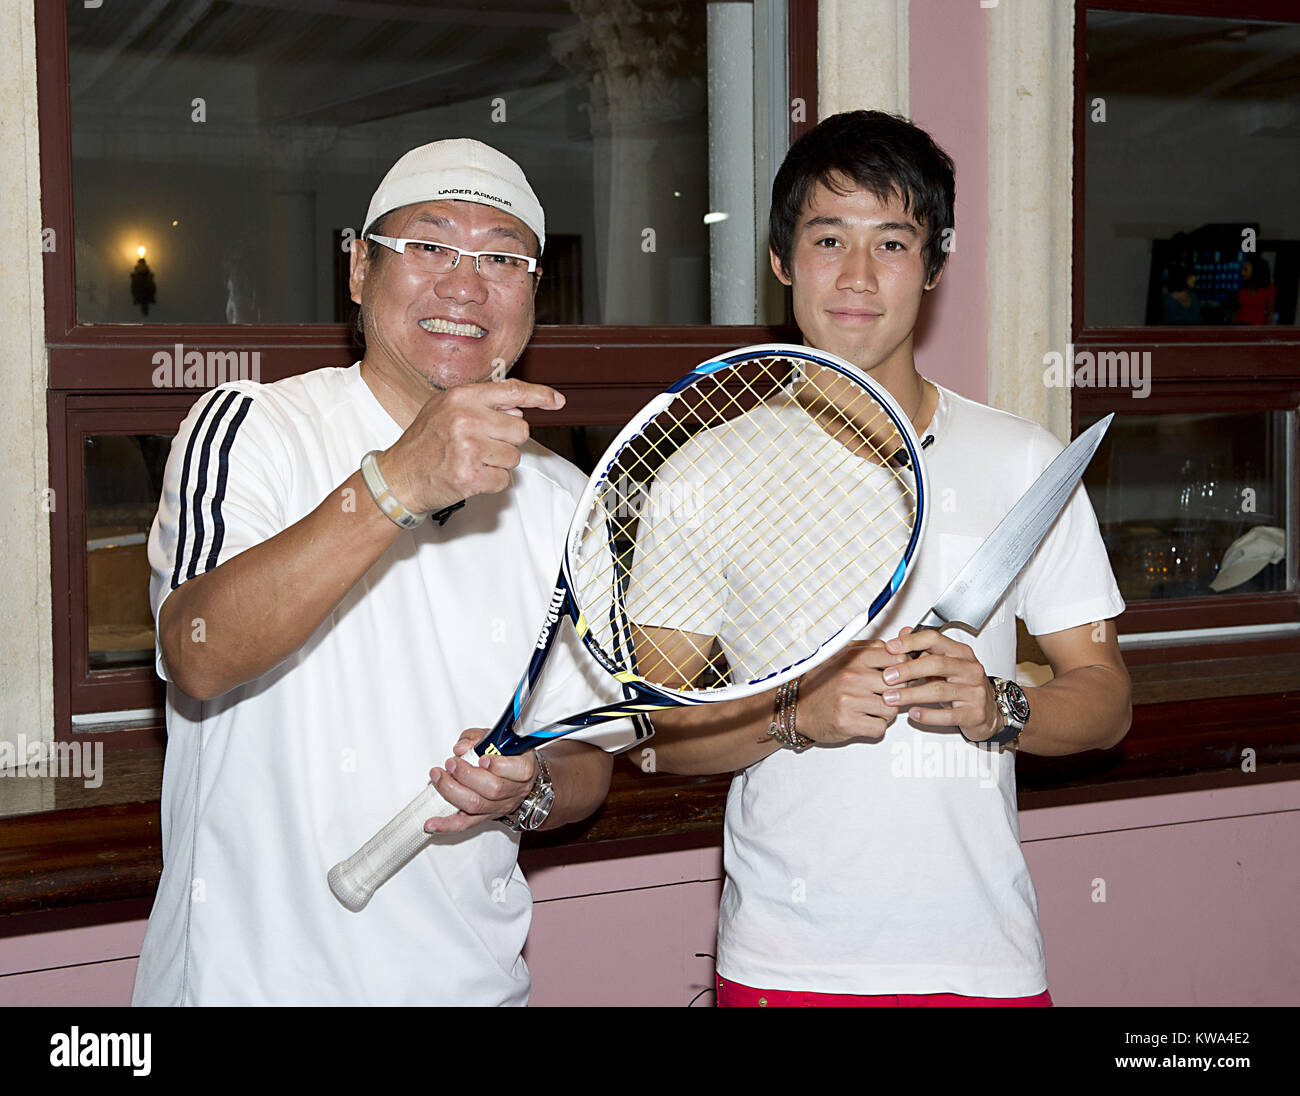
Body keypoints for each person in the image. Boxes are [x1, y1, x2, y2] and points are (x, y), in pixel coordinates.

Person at [132, 139, 638, 1006]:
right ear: (359, 270)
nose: (464, 284)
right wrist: (399, 480)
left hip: (473, 986)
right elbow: (197, 651)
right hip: (242, 986)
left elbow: (587, 759)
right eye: (429, 245)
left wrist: (530, 786)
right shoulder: (251, 426)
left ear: (532, 296)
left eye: (502, 258)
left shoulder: (566, 503)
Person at [645, 111, 1132, 1006]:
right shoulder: (702, 470)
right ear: (782, 259)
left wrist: (1001, 706)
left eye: (894, 243)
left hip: (984, 958)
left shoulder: (1025, 460)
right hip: (783, 963)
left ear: (935, 266)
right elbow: (661, 737)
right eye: (828, 238)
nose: (858, 277)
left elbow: (1104, 700)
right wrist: (795, 712)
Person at [1234, 256, 1276, 325]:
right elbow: (1238, 311)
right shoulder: (1243, 288)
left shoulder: (1268, 289)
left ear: (1255, 271)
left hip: (1257, 329)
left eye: (1246, 269)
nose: (1242, 273)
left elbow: (1270, 314)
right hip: (1240, 327)